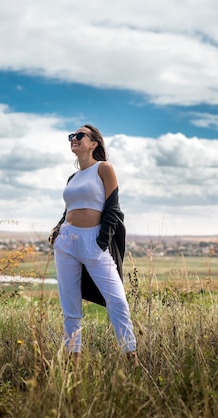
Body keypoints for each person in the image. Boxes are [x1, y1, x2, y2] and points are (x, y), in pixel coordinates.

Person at [49, 124, 138, 367]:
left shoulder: (104, 168)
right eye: (71, 136)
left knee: (117, 301)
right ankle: (73, 365)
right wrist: (57, 231)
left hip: (94, 242)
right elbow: (69, 210)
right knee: (70, 306)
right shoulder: (73, 177)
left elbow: (113, 209)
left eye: (79, 136)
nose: (74, 139)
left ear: (94, 143)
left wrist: (101, 242)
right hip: (67, 242)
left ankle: (132, 361)